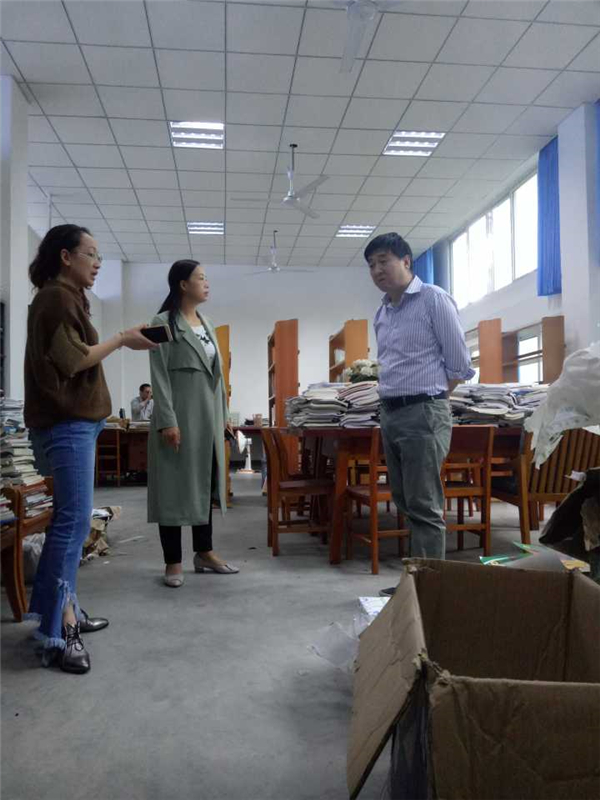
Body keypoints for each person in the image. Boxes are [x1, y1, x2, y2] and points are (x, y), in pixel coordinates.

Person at [24, 224, 157, 674]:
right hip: (67, 426)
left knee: (71, 521)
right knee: (72, 524)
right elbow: (74, 360)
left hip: (74, 424)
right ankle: (59, 630)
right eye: (91, 254)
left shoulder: (65, 298)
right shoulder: (55, 298)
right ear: (66, 257)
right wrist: (121, 338)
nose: (97, 263)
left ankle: (65, 610)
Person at [366, 232, 474, 572]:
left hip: (424, 411)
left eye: (383, 261)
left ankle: (428, 586)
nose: (377, 270)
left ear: (406, 261)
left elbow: (459, 365)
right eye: (371, 265)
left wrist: (431, 399)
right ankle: (416, 578)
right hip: (391, 413)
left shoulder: (433, 299)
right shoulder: (382, 313)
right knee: (404, 500)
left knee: (424, 504)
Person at [148, 259, 238, 587]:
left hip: (208, 418)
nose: (206, 283)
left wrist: (223, 415)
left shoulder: (207, 323)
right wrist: (167, 421)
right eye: (201, 278)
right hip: (179, 416)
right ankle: (173, 562)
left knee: (203, 484)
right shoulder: (161, 322)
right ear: (183, 285)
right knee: (173, 487)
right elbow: (158, 374)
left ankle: (205, 552)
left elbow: (218, 376)